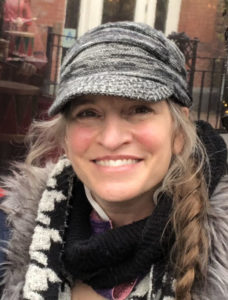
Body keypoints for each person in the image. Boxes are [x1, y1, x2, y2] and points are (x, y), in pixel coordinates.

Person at [0, 21, 228, 300]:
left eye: (139, 109)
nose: (111, 139)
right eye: (88, 113)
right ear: (66, 138)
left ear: (178, 132)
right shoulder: (10, 235)